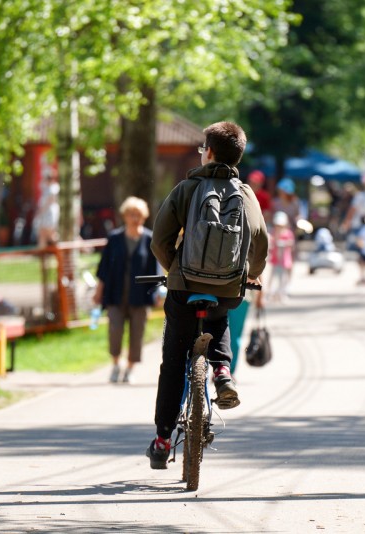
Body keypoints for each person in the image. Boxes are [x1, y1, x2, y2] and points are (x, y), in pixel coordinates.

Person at [146, 121, 268, 469]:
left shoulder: (188, 188)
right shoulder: (246, 195)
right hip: (228, 290)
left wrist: (175, 270)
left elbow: (159, 240)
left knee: (172, 363)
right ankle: (221, 372)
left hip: (184, 289)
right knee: (220, 316)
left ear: (209, 152)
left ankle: (162, 438)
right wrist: (252, 274)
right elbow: (260, 242)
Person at [93, 196, 159, 384]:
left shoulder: (149, 239)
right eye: (131, 214)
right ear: (124, 216)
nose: (134, 218)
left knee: (137, 334)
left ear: (144, 216)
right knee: (115, 330)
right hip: (115, 294)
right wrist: (98, 291)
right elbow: (103, 268)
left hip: (140, 296)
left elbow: (154, 270)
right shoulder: (114, 238)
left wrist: (156, 293)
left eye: (138, 214)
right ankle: (115, 365)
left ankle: (130, 368)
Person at [267, 211, 295, 302]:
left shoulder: (288, 233)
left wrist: (284, 243)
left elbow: (291, 243)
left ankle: (282, 293)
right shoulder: (273, 233)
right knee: (273, 277)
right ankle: (271, 294)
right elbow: (270, 242)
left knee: (283, 278)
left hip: (284, 260)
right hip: (275, 260)